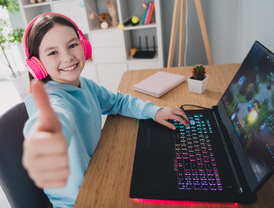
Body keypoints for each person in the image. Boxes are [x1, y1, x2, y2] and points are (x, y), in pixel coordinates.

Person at [21, 13, 189, 208]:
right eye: (52, 52)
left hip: (98, 172)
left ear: (84, 45)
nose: (67, 57)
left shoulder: (85, 85)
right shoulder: (53, 101)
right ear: (37, 65)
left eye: (72, 45)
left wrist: (154, 111)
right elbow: (56, 118)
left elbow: (117, 102)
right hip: (79, 200)